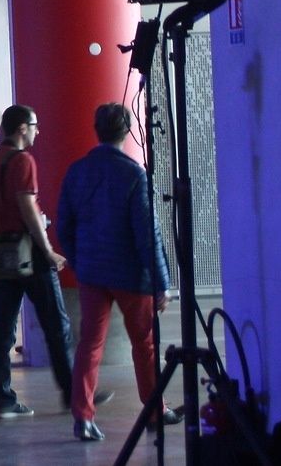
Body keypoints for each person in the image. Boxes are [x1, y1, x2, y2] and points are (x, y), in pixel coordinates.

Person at [58, 102, 178, 442]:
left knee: (89, 345)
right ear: (127, 131)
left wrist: (80, 262)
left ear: (97, 130)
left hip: (92, 274)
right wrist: (161, 282)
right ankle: (154, 410)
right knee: (144, 344)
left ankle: (83, 417)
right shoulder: (133, 174)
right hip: (131, 275)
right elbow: (147, 233)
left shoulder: (76, 172)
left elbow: (64, 226)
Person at [0, 104, 78, 420]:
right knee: (56, 325)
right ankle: (73, 394)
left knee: (2, 329)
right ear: (23, 128)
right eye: (35, 125)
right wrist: (48, 249)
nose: (38, 131)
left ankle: (3, 399)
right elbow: (28, 208)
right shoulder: (24, 160)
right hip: (30, 252)